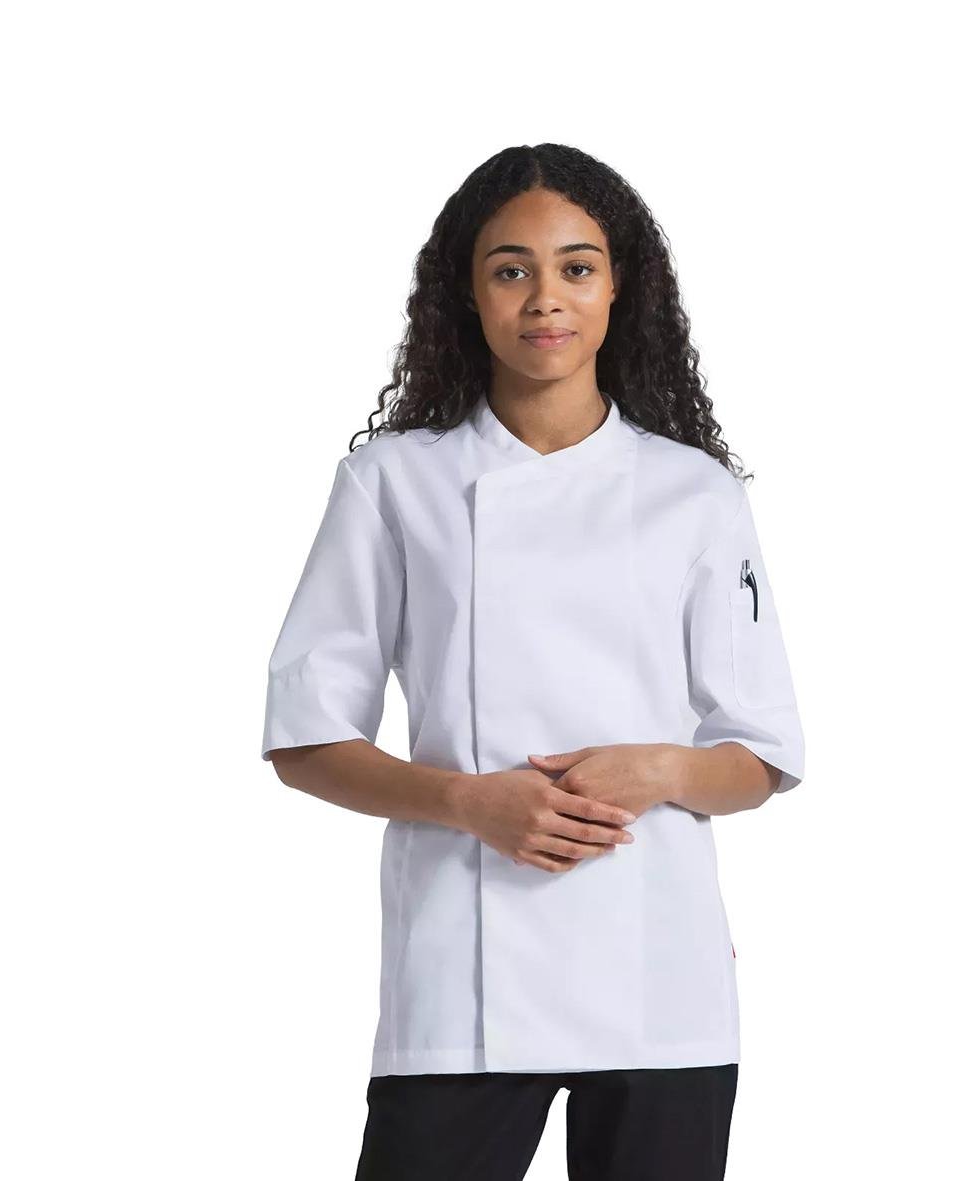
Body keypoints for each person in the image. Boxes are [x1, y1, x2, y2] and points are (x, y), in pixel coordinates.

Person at [260, 143, 806, 1181]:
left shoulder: (696, 493)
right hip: (462, 964)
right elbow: (304, 737)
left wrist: (660, 768)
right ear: (466, 294)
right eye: (510, 269)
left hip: (656, 964)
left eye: (576, 267)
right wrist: (470, 802)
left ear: (618, 287)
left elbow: (761, 754)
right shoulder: (393, 482)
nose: (545, 297)